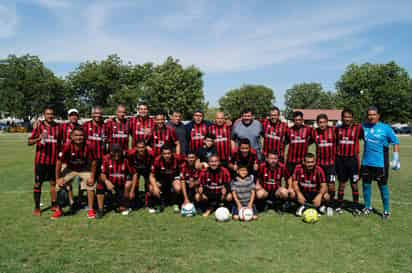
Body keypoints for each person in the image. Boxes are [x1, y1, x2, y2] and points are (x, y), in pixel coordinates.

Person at [361, 106, 400, 220]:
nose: (371, 117)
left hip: (380, 164)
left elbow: (395, 142)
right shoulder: (364, 127)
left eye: (373, 114)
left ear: (378, 116)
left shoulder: (385, 128)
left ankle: (386, 211)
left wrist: (396, 157)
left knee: (382, 187)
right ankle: (368, 207)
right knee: (366, 186)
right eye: (369, 114)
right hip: (366, 163)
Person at [54, 127, 97, 219]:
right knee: (59, 185)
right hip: (70, 168)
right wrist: (58, 178)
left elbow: (93, 162)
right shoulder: (66, 146)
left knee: (90, 184)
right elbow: (58, 162)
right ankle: (59, 210)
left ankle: (90, 209)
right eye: (76, 135)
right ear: (71, 136)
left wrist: (92, 177)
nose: (79, 137)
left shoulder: (89, 145)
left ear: (84, 136)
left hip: (84, 168)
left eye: (81, 135)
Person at [28, 106, 60, 216]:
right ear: (44, 115)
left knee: (53, 184)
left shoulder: (58, 127)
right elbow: (29, 142)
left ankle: (54, 204)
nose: (50, 116)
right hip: (41, 161)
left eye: (51, 114)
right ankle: (37, 207)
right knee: (38, 184)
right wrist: (39, 138)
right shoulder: (39, 126)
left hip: (53, 162)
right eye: (48, 114)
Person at [334, 108, 364, 215]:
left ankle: (355, 206)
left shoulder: (358, 128)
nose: (347, 119)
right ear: (342, 118)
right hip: (340, 160)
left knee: (354, 184)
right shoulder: (337, 129)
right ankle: (339, 205)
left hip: (353, 160)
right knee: (341, 183)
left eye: (349, 117)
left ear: (352, 118)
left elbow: (365, 138)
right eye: (345, 117)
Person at [97, 144, 137, 218]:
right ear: (111, 152)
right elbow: (102, 173)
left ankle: (125, 204)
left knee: (128, 183)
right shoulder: (106, 160)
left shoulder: (126, 161)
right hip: (111, 186)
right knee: (100, 184)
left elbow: (134, 174)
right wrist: (106, 181)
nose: (116, 154)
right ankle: (100, 209)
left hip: (121, 186)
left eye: (118, 152)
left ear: (121, 152)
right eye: (114, 152)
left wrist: (132, 190)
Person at [311, 114, 337, 208]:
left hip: (331, 164)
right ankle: (322, 204)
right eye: (320, 122)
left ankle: (331, 205)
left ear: (327, 122)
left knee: (331, 185)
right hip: (319, 165)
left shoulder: (333, 130)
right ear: (317, 123)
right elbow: (308, 142)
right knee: (320, 185)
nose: (322, 124)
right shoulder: (314, 132)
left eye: (324, 122)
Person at [148, 144, 183, 213]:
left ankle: (176, 203)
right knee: (151, 188)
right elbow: (151, 175)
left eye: (169, 153)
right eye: (164, 154)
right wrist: (155, 187)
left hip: (174, 178)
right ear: (161, 154)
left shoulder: (178, 158)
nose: (167, 155)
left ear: (172, 153)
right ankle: (159, 203)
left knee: (178, 187)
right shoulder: (157, 160)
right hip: (162, 179)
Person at [127, 140, 155, 207]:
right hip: (135, 169)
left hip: (147, 169)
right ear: (136, 148)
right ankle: (135, 201)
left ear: (145, 147)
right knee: (134, 183)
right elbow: (132, 170)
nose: (141, 149)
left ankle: (148, 202)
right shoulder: (130, 154)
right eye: (139, 148)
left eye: (142, 147)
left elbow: (152, 168)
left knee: (149, 185)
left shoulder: (151, 154)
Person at [285, 111, 313, 175]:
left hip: (302, 160)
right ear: (293, 120)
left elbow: (313, 139)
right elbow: (286, 141)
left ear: (302, 120)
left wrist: (307, 143)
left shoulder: (308, 129)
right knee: (289, 180)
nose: (298, 121)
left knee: (301, 179)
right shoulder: (289, 130)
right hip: (291, 160)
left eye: (299, 120)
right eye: (296, 120)